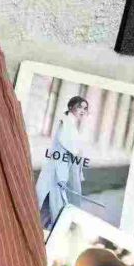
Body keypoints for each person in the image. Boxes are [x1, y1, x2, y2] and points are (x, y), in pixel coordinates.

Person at [35, 95, 89, 230]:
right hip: (59, 174)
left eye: (85, 108)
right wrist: (63, 178)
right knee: (57, 207)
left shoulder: (70, 125)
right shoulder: (66, 124)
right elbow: (61, 154)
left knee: (51, 206)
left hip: (62, 174)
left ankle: (43, 229)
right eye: (79, 107)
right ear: (70, 107)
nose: (82, 111)